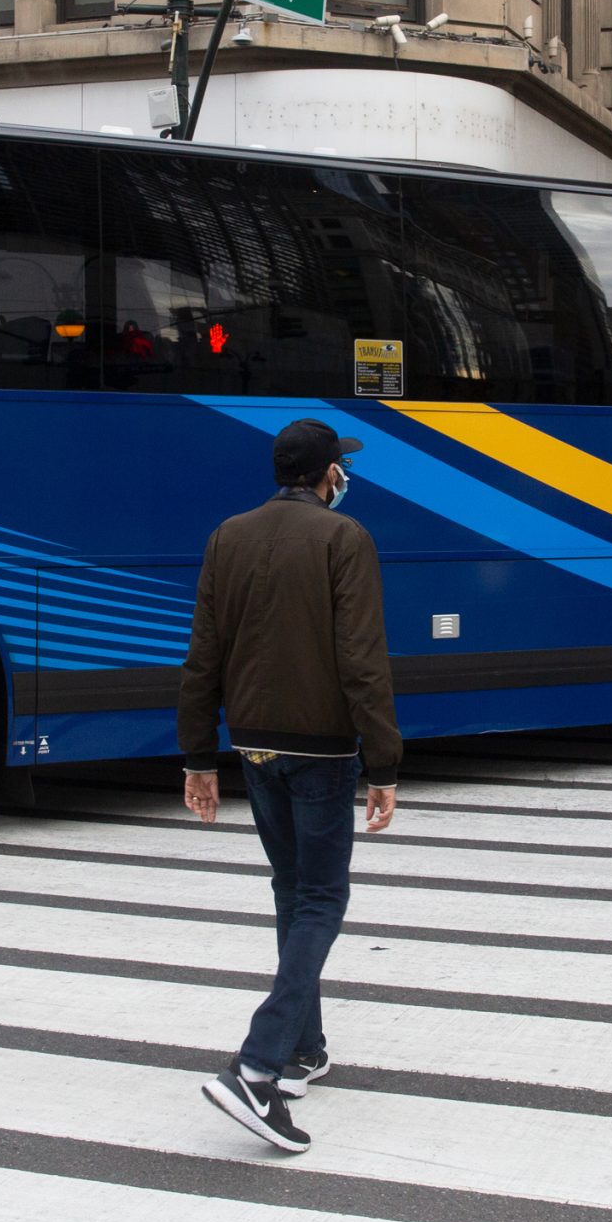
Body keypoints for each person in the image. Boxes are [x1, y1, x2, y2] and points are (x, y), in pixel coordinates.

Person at [180, 417, 401, 1155]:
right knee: (322, 895)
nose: (345, 475)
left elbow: (202, 653)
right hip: (323, 749)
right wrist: (385, 761)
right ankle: (259, 1064)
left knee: (290, 887)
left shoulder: (226, 535)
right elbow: (363, 660)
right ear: (324, 473)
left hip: (254, 746)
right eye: (341, 464)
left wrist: (197, 757)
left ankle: (305, 1048)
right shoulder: (346, 540)